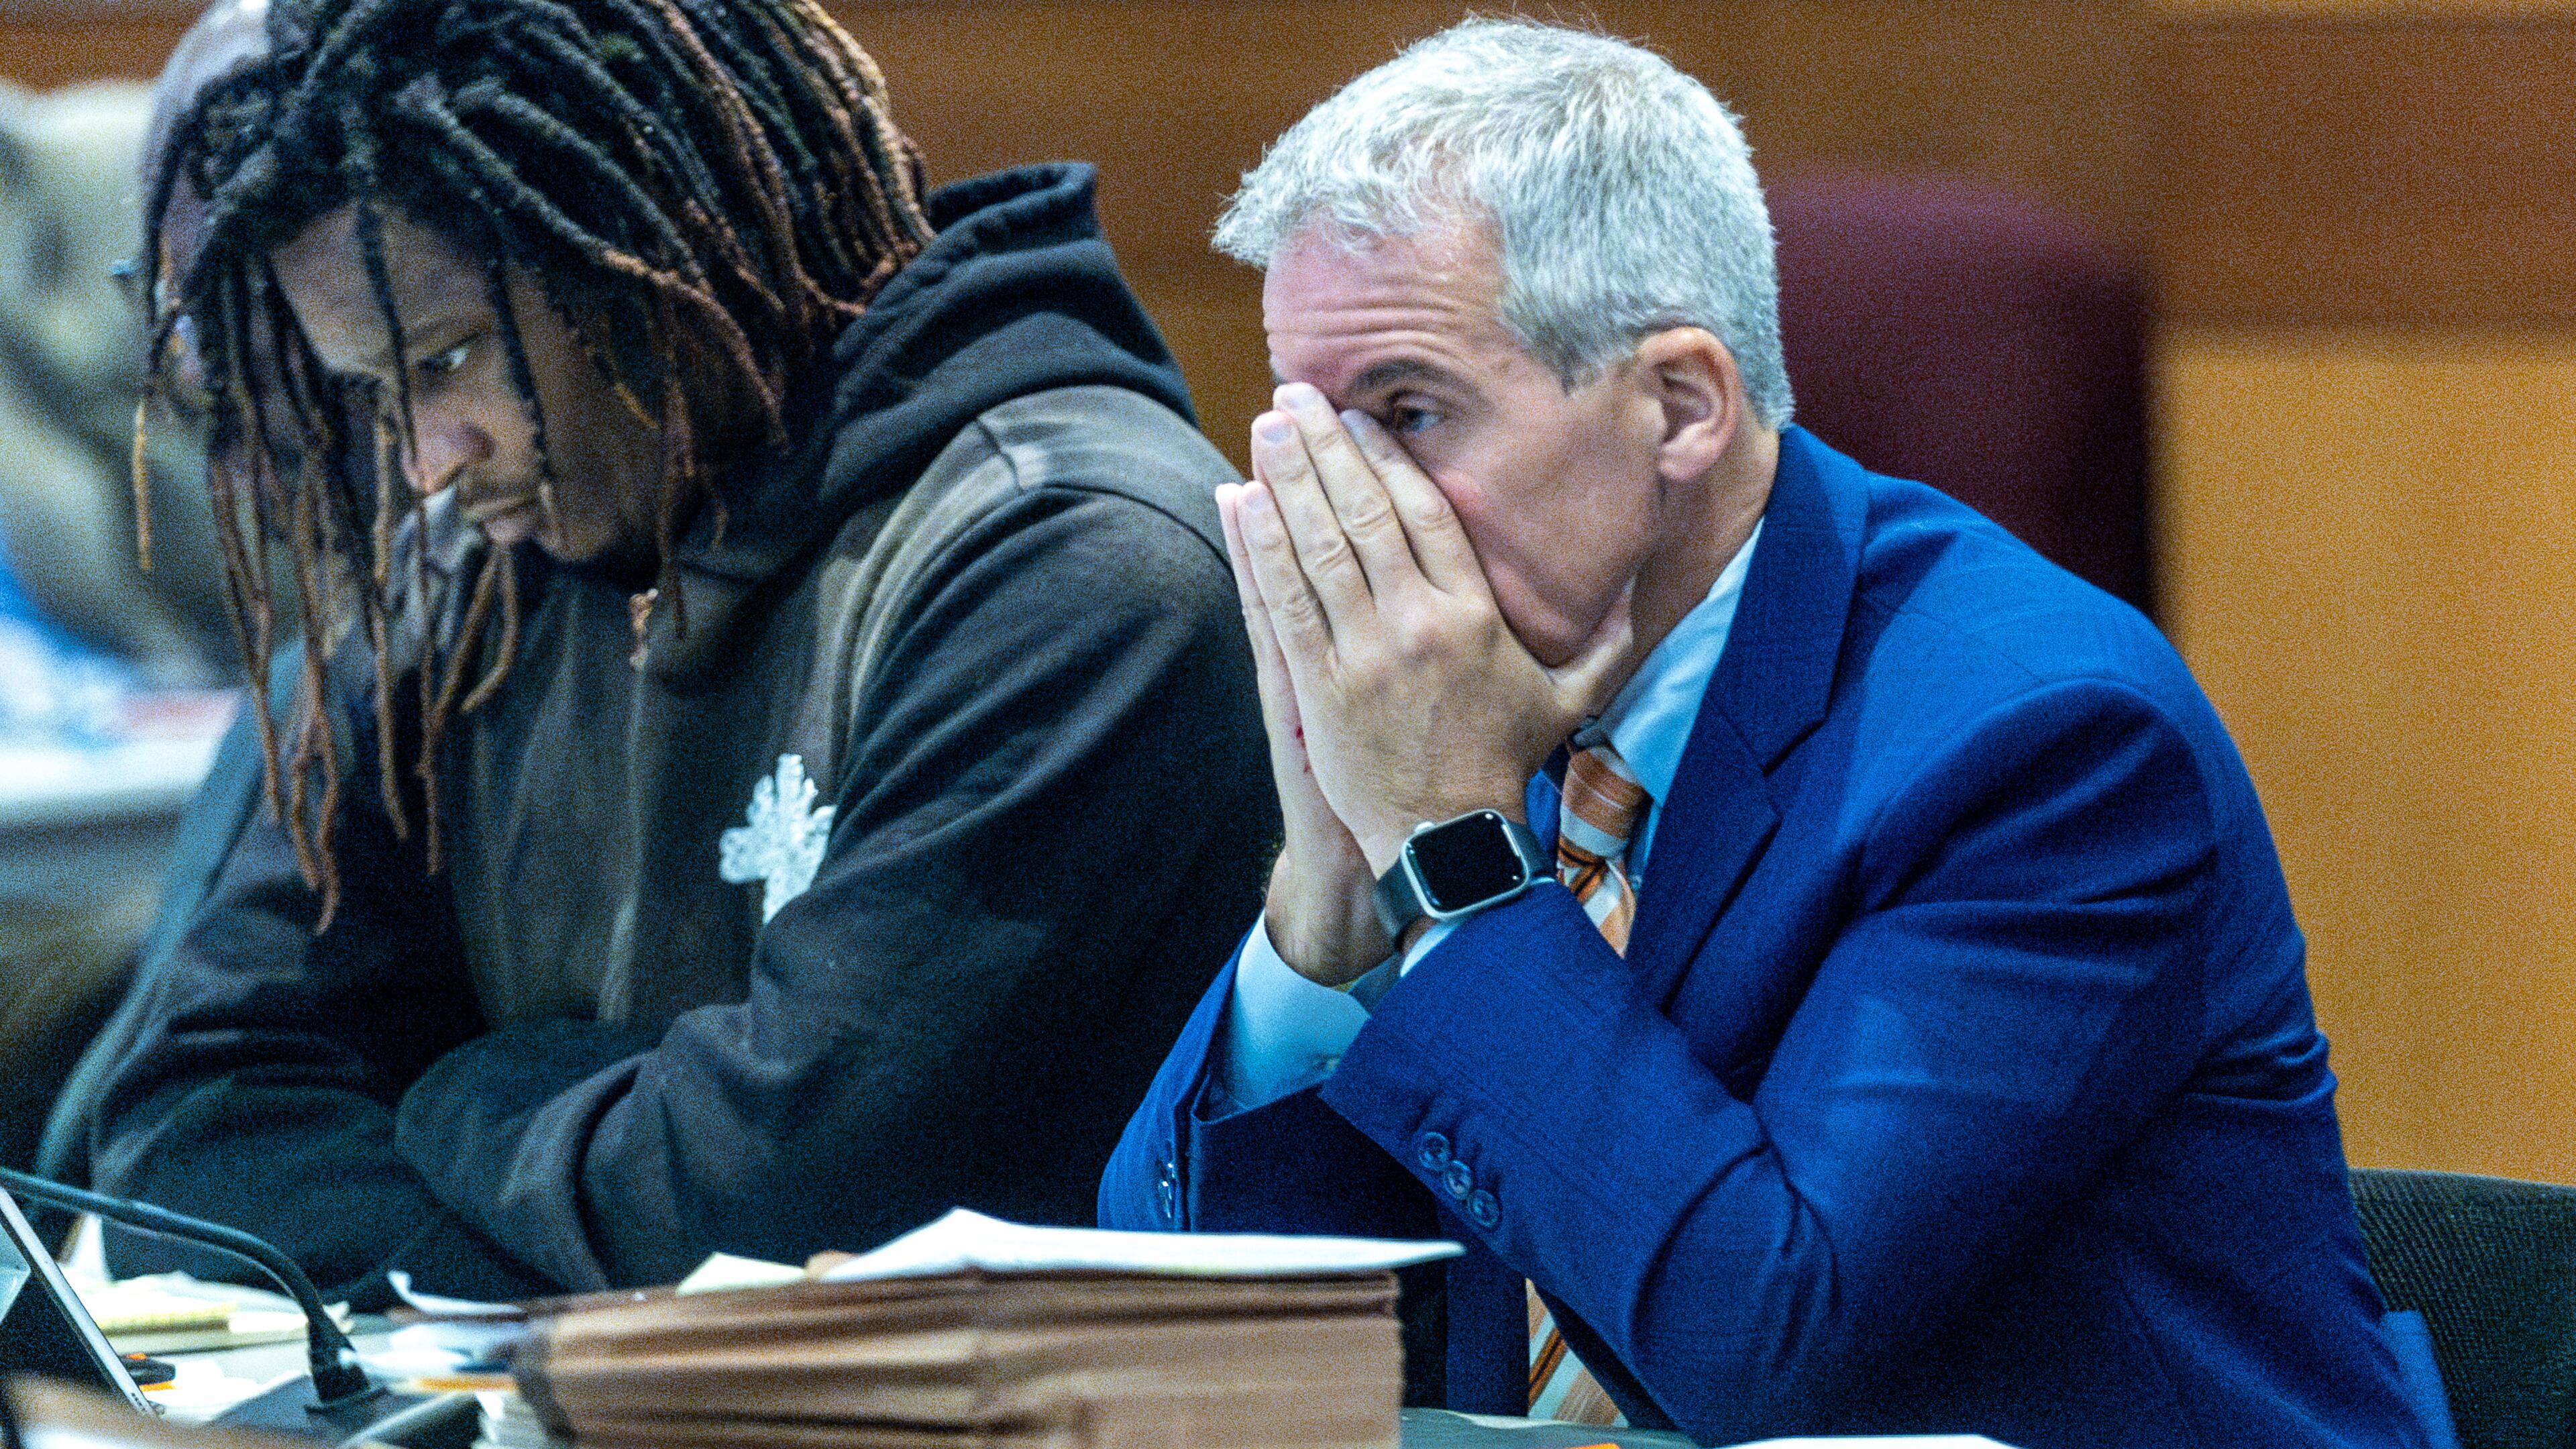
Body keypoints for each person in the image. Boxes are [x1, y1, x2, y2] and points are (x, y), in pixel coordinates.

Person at [1099, 21, 2439, 1448]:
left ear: (1680, 405)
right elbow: (1182, 1329)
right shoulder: (1490, 687)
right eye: (1304, 425)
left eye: (1409, 415)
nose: (1339, 514)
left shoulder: (2050, 746)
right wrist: (1330, 891)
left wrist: (1446, 850)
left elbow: (1764, 1348)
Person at [62, 0, 1273, 1306]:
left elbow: (780, 1203)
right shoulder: (460, 576)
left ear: (653, 241)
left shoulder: (1069, 561)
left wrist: (464, 1083)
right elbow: (185, 1138)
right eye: (375, 393)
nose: (423, 461)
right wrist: (593, 1197)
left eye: (452, 360)